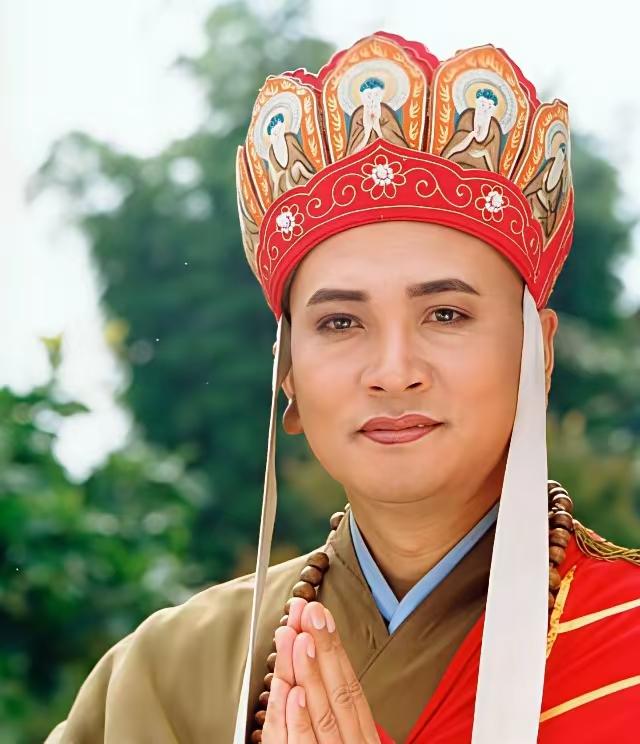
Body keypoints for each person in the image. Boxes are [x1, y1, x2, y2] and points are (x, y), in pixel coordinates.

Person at [46, 32, 640, 744]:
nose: (392, 370)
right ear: (289, 374)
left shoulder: (624, 636)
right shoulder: (170, 676)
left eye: (445, 314)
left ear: (537, 353)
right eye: (340, 322)